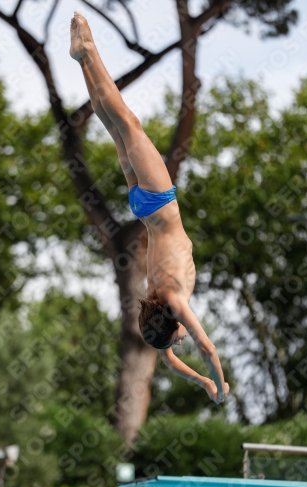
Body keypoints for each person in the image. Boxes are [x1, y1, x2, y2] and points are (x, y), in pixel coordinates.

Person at [70, 12, 230, 404]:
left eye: (177, 336)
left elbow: (207, 348)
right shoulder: (156, 296)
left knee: (126, 121)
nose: (181, 341)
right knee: (113, 124)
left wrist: (220, 385)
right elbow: (172, 361)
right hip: (141, 208)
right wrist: (204, 384)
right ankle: (83, 60)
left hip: (159, 203)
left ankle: (89, 51)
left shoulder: (174, 301)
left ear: (174, 324)